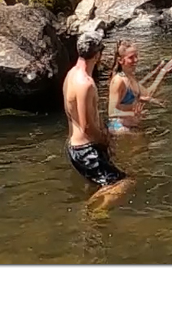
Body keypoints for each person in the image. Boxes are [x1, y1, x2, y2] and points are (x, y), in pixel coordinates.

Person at [63, 30, 133, 211]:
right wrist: (104, 139)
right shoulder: (85, 83)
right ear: (98, 54)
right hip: (86, 149)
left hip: (75, 146)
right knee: (123, 182)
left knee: (101, 184)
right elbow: (86, 126)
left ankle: (93, 214)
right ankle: (93, 212)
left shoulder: (70, 75)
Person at [107, 40, 172, 132]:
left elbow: (140, 96)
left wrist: (148, 100)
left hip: (130, 126)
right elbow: (111, 112)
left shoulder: (129, 76)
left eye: (136, 56)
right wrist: (133, 114)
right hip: (120, 128)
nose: (136, 60)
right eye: (131, 57)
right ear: (120, 60)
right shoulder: (118, 81)